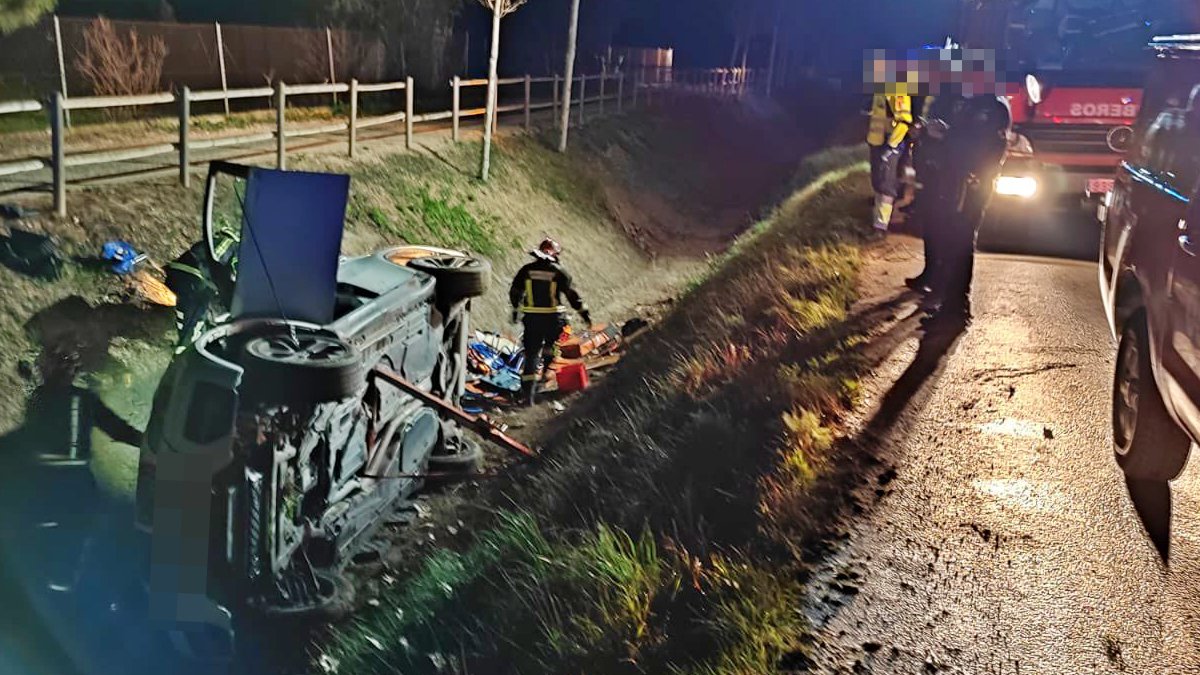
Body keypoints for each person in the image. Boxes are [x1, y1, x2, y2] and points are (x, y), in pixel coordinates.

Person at [921, 61, 1011, 324]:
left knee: (961, 242)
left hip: (973, 184)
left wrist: (978, 174)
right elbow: (961, 141)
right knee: (952, 241)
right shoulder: (970, 105)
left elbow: (991, 147)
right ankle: (950, 302)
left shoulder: (992, 108)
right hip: (956, 180)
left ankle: (957, 306)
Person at [508, 238, 592, 406]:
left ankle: (528, 396)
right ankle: (546, 373)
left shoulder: (526, 270)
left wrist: (516, 310)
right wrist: (585, 315)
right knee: (551, 347)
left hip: (532, 319)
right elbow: (573, 296)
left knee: (531, 355)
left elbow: (515, 292)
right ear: (556, 254)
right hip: (554, 320)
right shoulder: (560, 272)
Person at [866, 63, 914, 233]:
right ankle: (877, 224)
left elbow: (904, 122)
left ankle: (880, 227)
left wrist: (892, 147)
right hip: (878, 142)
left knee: (886, 185)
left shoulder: (897, 89)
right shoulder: (882, 89)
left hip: (889, 144)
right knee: (878, 183)